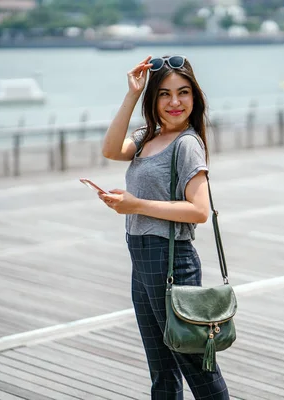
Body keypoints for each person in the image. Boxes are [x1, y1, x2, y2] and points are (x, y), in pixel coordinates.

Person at [99, 55, 230, 399]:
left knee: (197, 367)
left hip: (171, 260)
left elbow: (199, 211)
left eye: (183, 93)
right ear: (153, 98)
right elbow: (111, 149)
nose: (175, 102)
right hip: (141, 259)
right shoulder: (146, 137)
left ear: (194, 98)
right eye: (164, 94)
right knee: (161, 370)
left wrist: (136, 205)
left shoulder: (187, 144)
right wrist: (131, 94)